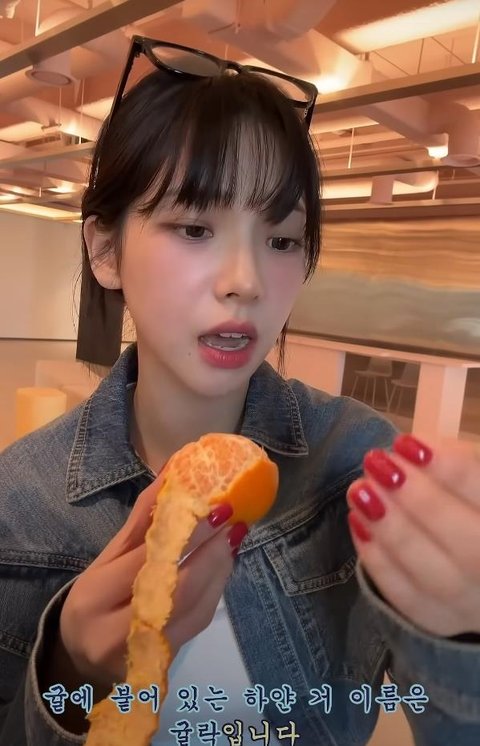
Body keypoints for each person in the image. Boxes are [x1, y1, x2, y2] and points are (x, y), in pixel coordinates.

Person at [0, 36, 479, 746]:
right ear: (105, 250)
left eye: (282, 240)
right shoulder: (19, 504)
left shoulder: (355, 464)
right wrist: (70, 672)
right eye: (195, 227)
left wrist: (461, 635)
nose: (246, 282)